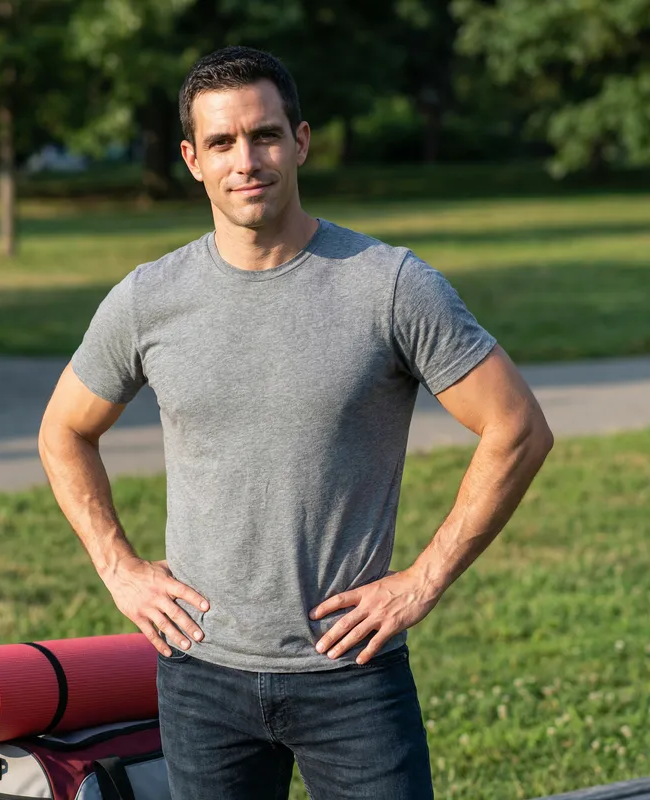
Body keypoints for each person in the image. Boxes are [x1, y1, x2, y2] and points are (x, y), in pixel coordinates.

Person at [38, 46, 553, 800]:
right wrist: (120, 567)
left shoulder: (390, 286)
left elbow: (518, 428)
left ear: (300, 141)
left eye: (265, 135)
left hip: (351, 676)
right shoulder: (150, 299)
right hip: (200, 677)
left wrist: (421, 582)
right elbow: (63, 433)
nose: (246, 160)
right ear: (192, 159)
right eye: (221, 142)